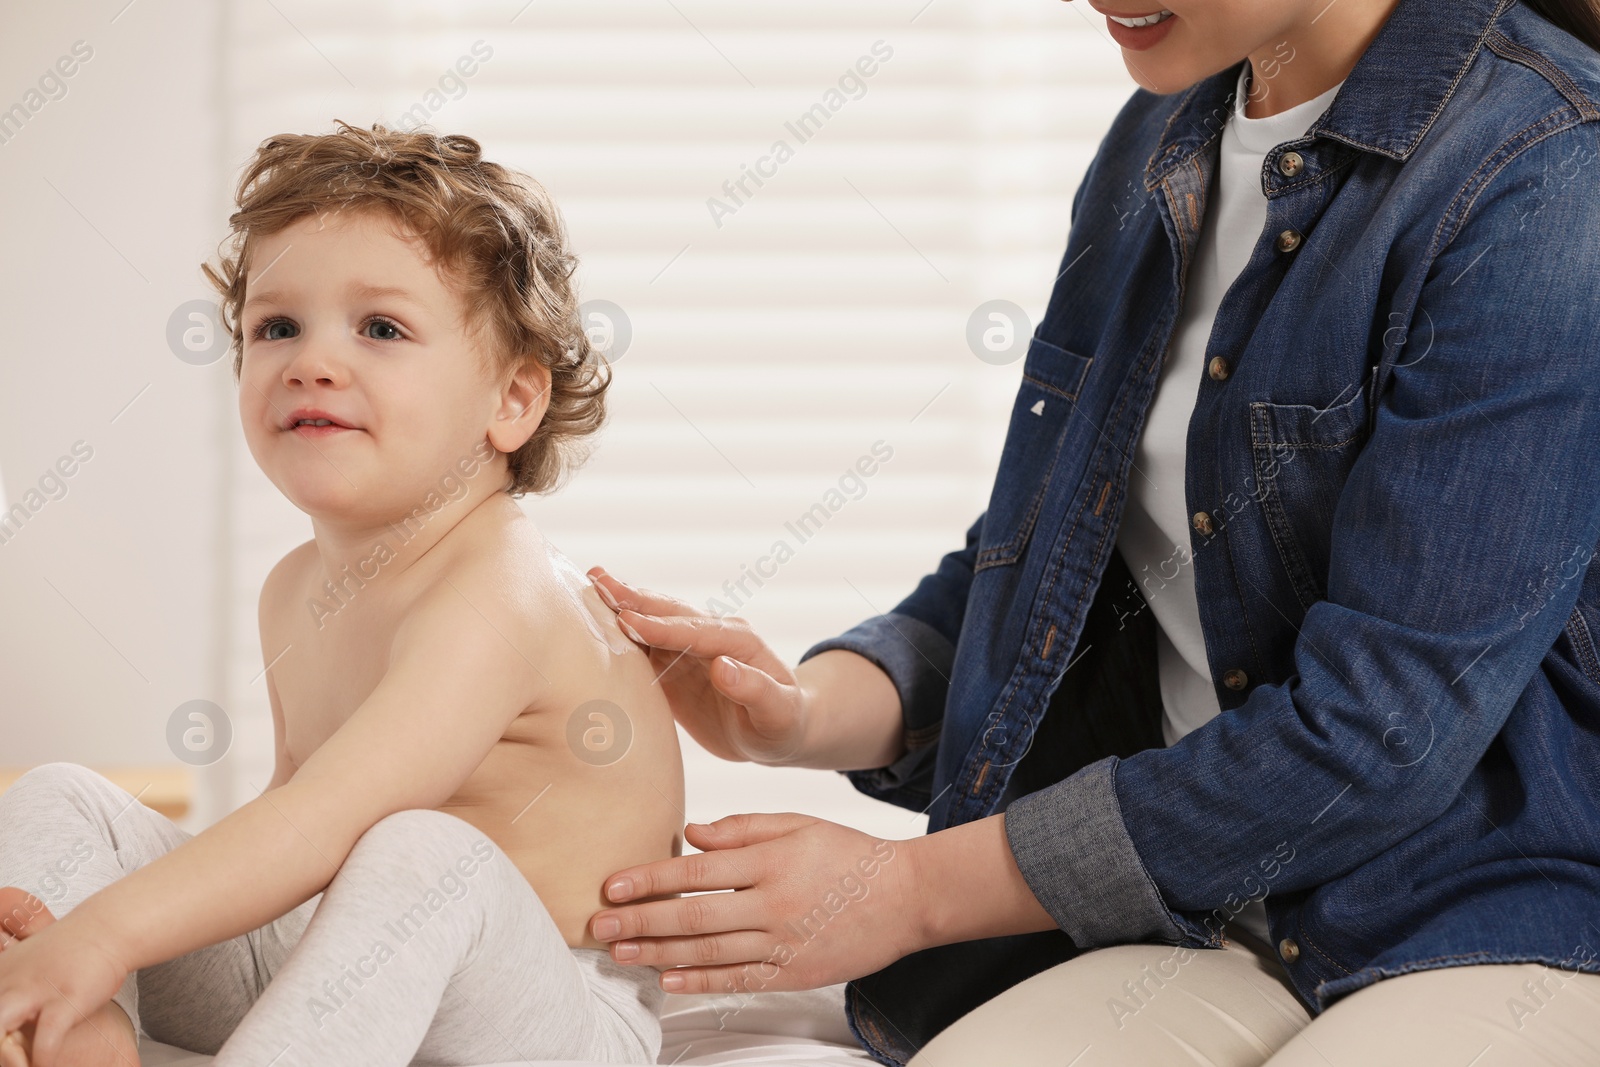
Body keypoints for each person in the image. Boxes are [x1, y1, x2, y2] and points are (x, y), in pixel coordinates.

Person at [582, 0, 1600, 1064]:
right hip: (1195, 909)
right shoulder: (1160, 143)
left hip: (1483, 917)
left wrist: (908, 889)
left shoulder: (1545, 171)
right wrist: (802, 713)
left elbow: (1384, 729)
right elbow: (1052, 554)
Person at [0, 121, 685, 1067]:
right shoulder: (294, 588)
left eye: (382, 328)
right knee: (64, 797)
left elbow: (331, 818)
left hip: (544, 1012)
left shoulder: (501, 593)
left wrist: (107, 932)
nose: (312, 360)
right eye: (276, 326)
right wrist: (85, 934)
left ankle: (76, 990)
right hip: (344, 970)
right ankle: (52, 1024)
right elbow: (291, 828)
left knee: (419, 852)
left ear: (512, 402)